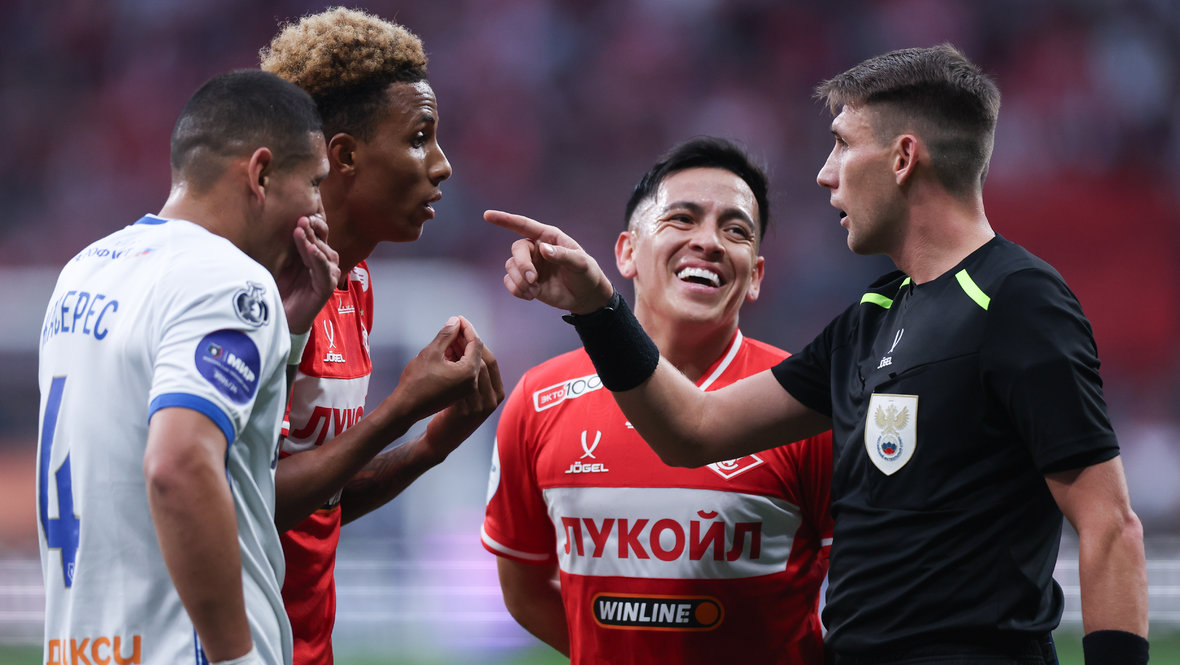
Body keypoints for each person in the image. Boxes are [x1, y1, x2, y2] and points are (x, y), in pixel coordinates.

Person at [485, 44, 1149, 665]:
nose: (825, 173)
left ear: (903, 158)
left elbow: (1110, 526)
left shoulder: (1016, 299)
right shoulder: (872, 317)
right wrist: (599, 308)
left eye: (843, 144)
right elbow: (693, 430)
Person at [482, 137, 834, 664]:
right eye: (682, 219)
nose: (709, 242)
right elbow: (525, 588)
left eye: (736, 230)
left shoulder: (803, 405)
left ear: (755, 277)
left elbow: (870, 599)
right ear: (627, 252)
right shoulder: (540, 399)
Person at [35, 69, 338, 665]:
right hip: (183, 650)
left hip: (84, 647)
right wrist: (235, 656)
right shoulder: (228, 280)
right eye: (314, 183)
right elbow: (177, 465)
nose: (320, 208)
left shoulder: (83, 270)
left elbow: (221, 458)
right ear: (261, 174)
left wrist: (288, 331)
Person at [259, 8, 505, 664]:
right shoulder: (264, 290)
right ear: (344, 155)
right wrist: (400, 410)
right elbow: (247, 503)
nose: (443, 166)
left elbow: (316, 504)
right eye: (420, 138)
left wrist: (430, 445)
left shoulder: (355, 282)